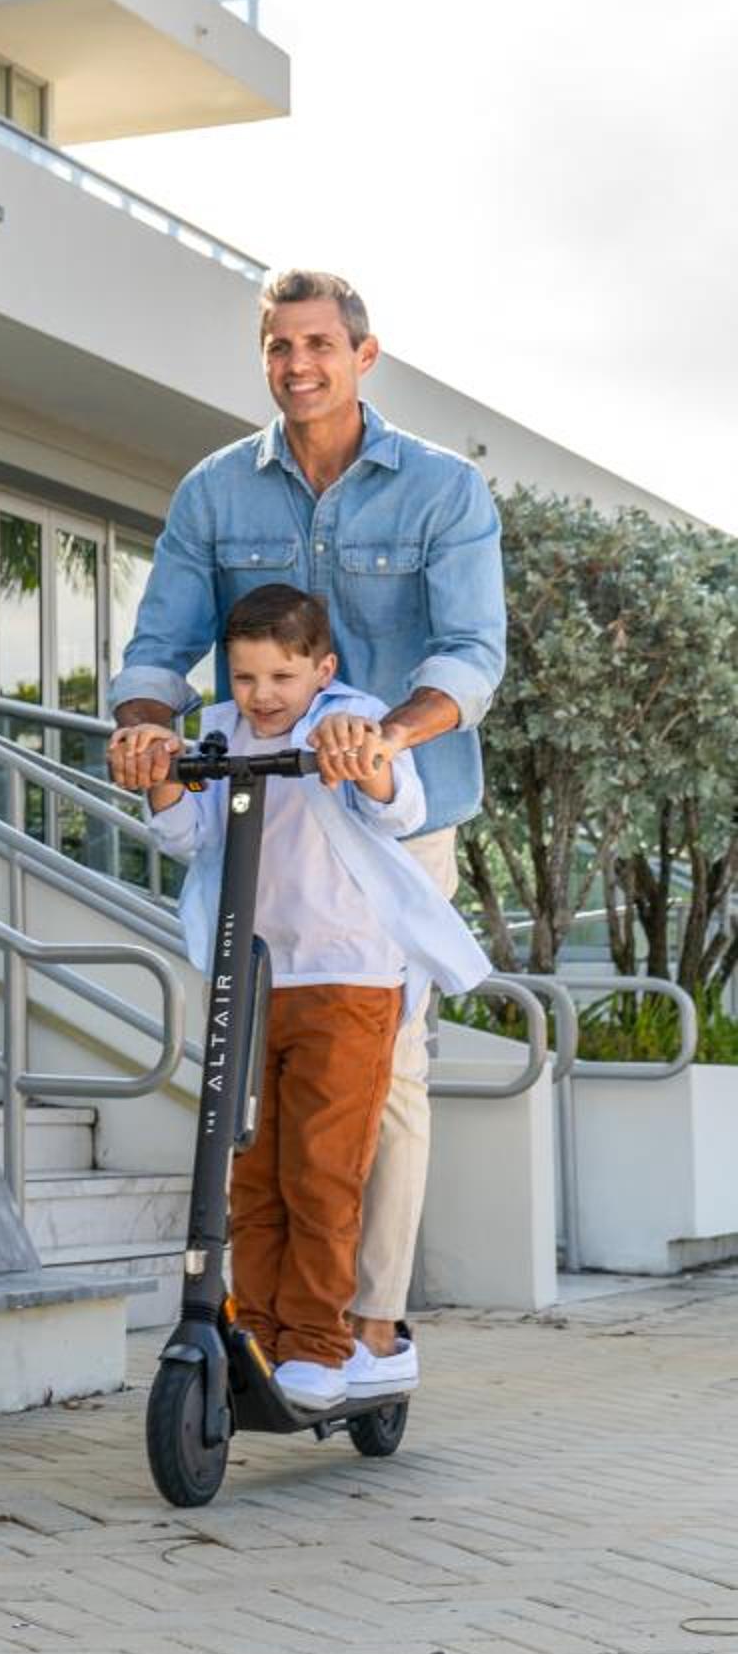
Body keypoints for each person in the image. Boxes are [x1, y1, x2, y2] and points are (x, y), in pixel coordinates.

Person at [109, 269, 504, 1397]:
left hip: (397, 819)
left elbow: (470, 655)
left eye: (321, 344)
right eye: (281, 346)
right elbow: (160, 647)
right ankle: (268, 1319)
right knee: (253, 1090)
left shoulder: (441, 488)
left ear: (363, 356)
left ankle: (366, 1325)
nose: (299, 366)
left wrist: (380, 739)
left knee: (389, 1079)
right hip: (265, 827)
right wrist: (147, 728)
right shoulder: (216, 489)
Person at [126, 586, 489, 1407]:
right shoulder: (217, 730)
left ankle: (320, 1347)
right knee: (252, 1174)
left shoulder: (351, 718)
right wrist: (162, 774)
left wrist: (367, 755)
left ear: (322, 671)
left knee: (322, 1173)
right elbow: (186, 837)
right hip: (253, 979)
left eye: (283, 677)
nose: (263, 695)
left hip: (348, 979)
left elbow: (400, 812)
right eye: (246, 676)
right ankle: (259, 1333)